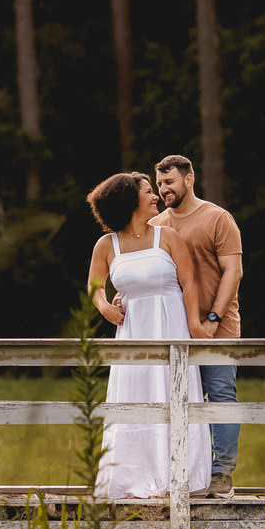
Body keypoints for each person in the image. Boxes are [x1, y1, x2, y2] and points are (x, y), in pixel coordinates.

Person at [85, 172, 212, 499]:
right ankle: (133, 479)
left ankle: (179, 479)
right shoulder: (106, 245)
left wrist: (195, 327)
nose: (155, 196)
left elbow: (189, 283)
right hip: (133, 333)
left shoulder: (167, 237)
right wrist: (105, 307)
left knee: (174, 396)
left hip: (170, 326)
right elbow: (95, 287)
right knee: (136, 397)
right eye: (147, 191)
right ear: (130, 201)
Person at [149, 154, 243, 499]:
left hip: (218, 327)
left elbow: (233, 272)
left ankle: (221, 474)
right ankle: (183, 473)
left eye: (169, 182)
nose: (163, 190)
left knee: (220, 397)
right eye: (159, 184)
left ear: (189, 179)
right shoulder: (157, 224)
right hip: (174, 330)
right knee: (177, 400)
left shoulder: (218, 218)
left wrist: (213, 320)